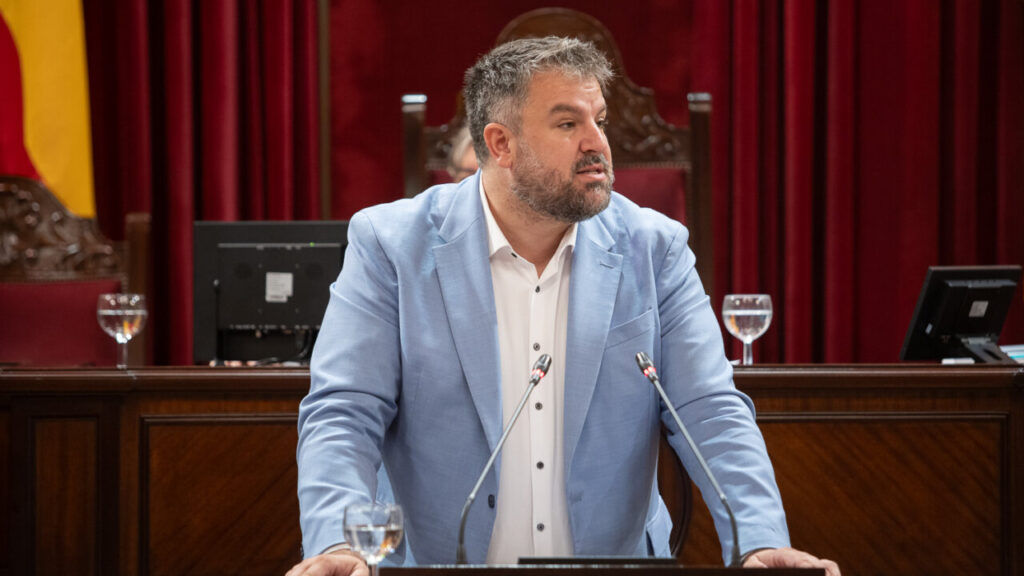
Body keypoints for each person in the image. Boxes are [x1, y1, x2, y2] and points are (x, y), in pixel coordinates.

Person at [287, 37, 840, 576]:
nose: (597, 142)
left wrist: (759, 540)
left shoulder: (655, 248)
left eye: (599, 119)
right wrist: (339, 544)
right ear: (501, 144)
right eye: (568, 124)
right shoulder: (390, 245)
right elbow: (344, 411)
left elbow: (710, 411)